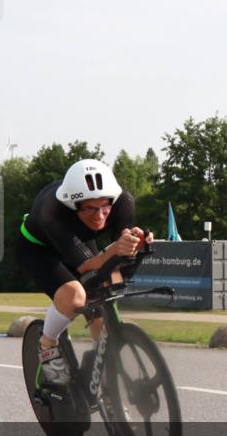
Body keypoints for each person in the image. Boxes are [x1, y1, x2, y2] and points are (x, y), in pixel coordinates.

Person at [17, 159, 153, 387]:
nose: (99, 215)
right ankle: (47, 343)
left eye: (104, 207)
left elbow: (119, 257)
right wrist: (114, 250)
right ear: (74, 205)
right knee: (74, 296)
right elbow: (84, 265)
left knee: (103, 297)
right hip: (38, 250)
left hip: (78, 244)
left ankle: (108, 392)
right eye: (90, 208)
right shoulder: (51, 211)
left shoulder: (123, 202)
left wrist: (136, 244)